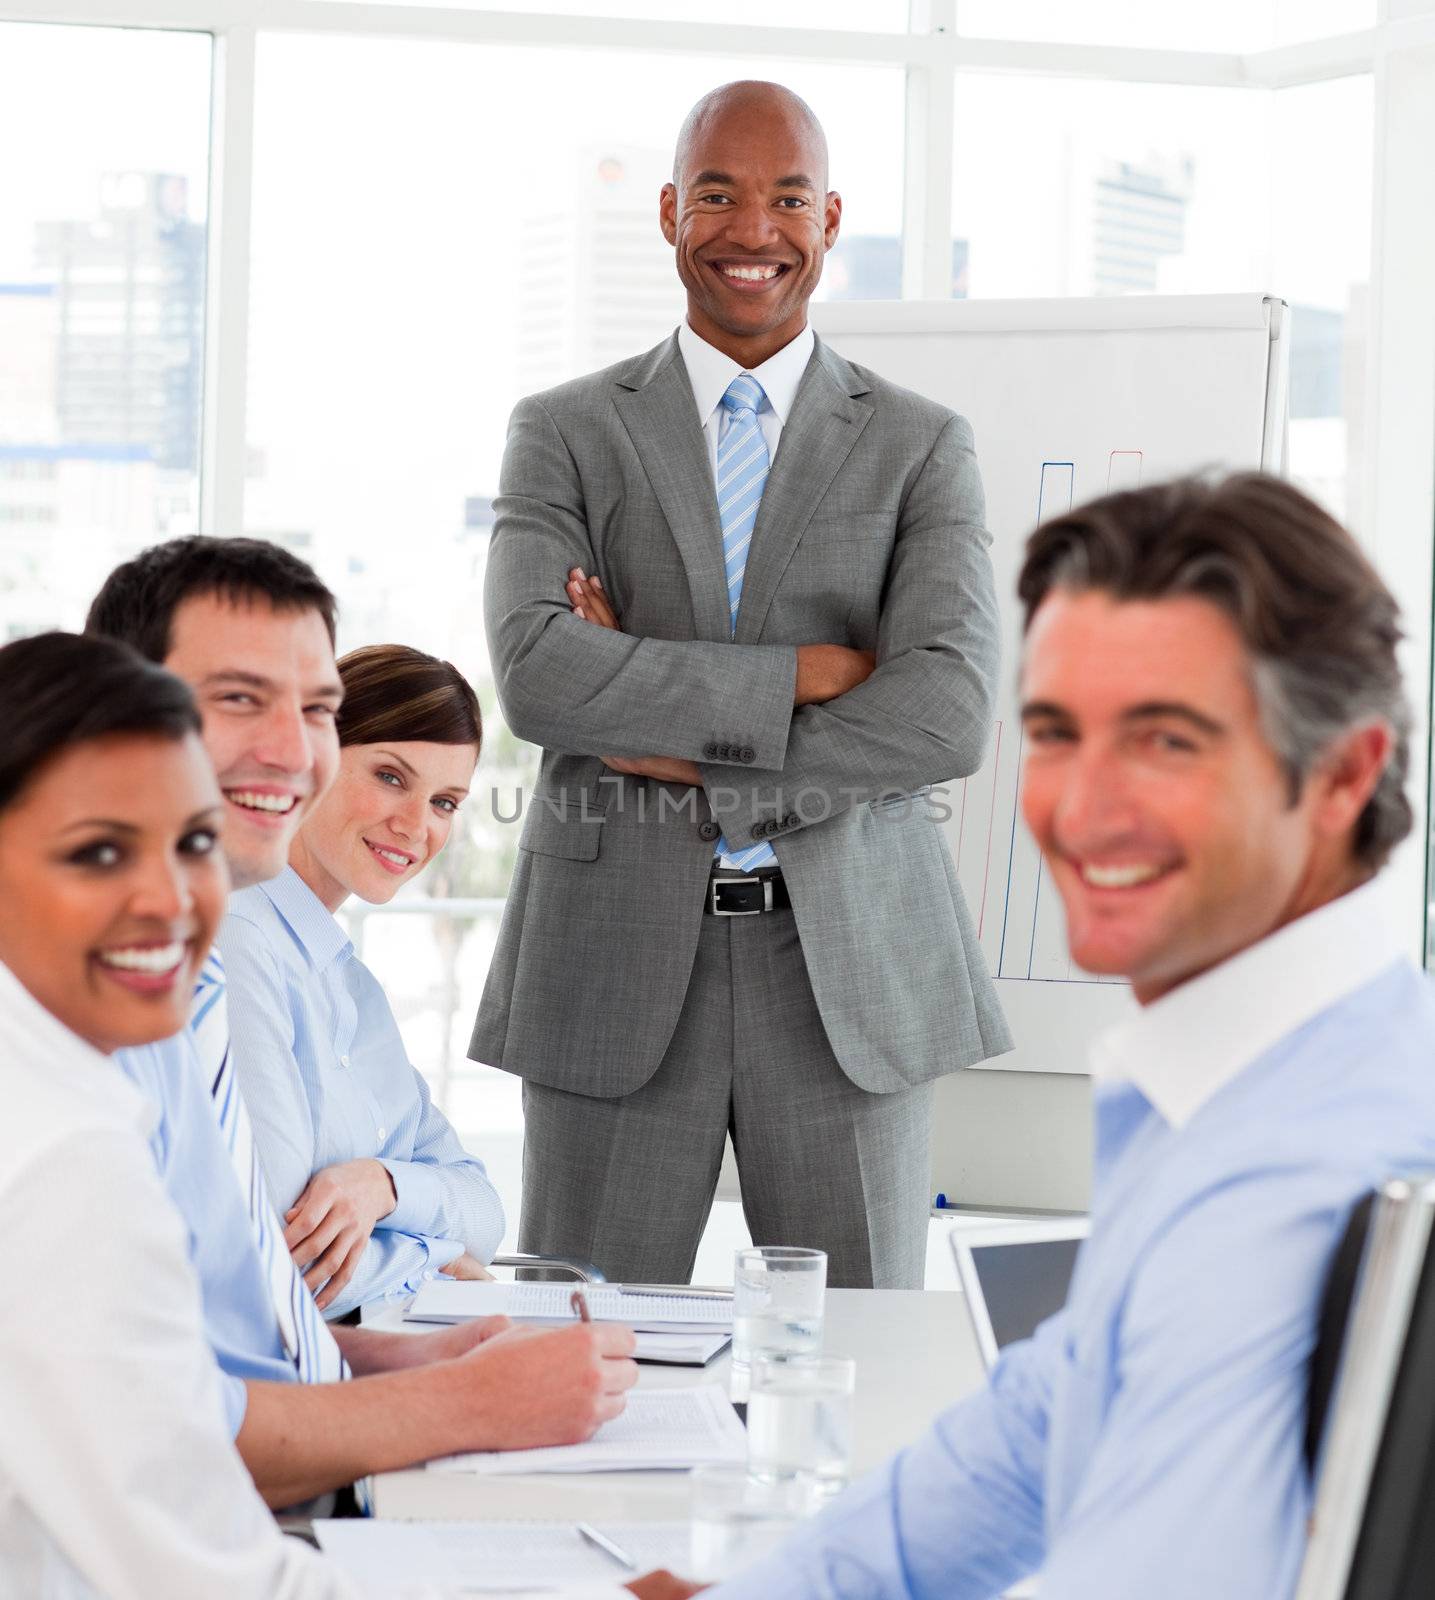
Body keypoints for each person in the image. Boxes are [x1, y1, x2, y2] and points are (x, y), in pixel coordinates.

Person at [617, 473, 1435, 1600]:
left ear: (1343, 770)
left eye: (1165, 741)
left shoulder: (1293, 1173)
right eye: (1056, 733)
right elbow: (1027, 1438)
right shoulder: (1262, 1077)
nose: (1083, 806)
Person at [471, 79, 1010, 1292]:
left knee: (858, 1368)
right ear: (668, 211)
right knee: (577, 1361)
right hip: (608, 962)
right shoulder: (562, 430)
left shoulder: (921, 443)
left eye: (787, 199)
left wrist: (675, 740)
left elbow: (943, 710)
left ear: (830, 218)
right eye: (716, 194)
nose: (751, 231)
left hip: (849, 976)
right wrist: (809, 680)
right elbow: (540, 677)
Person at [87, 538, 636, 1511]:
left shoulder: (278, 979)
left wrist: (389, 1224)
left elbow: (247, 1312)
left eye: (314, 712)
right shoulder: (185, 977)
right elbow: (287, 1268)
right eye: (239, 700)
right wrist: (458, 1387)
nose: (293, 750)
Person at [219, 644, 504, 1317]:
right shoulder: (236, 940)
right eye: (390, 777)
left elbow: (483, 1211)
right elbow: (290, 1259)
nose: (416, 826)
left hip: (360, 1342)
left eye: (444, 801)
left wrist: (381, 1187)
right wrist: (431, 1256)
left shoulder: (352, 988)